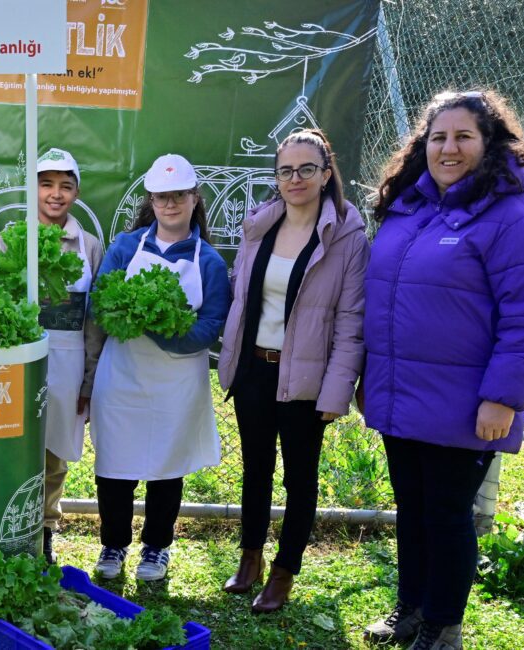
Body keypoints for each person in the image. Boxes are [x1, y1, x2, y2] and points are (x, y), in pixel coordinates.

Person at [361, 90, 524, 650]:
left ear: (489, 142)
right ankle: (411, 610)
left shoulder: (519, 214)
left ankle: (443, 625)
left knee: (447, 515)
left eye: (463, 137)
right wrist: (370, 379)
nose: (448, 148)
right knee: (413, 510)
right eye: (438, 137)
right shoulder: (411, 208)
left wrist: (505, 396)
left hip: (468, 403)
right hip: (401, 395)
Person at [217, 129, 368, 612]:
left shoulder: (347, 236)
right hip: (255, 372)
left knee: (299, 478)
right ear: (276, 178)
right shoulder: (260, 227)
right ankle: (250, 558)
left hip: (305, 379)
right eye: (286, 170)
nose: (296, 178)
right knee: (255, 470)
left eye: (307, 169)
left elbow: (350, 321)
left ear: (326, 174)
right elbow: (244, 299)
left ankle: (284, 572)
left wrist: (336, 391)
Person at [89, 154, 231, 581]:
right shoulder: (125, 247)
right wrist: (134, 315)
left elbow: (210, 326)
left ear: (194, 199)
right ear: (151, 200)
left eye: (178, 196)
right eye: (161, 197)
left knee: (167, 467)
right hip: (123, 377)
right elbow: (100, 301)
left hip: (177, 382)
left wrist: (162, 331)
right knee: (114, 465)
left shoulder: (210, 262)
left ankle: (156, 548)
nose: (170, 204)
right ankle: (113, 545)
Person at [27, 148, 105, 565]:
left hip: (70, 359)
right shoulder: (12, 238)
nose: (55, 194)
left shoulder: (90, 245)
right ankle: (12, 524)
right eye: (46, 184)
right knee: (18, 447)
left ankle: (44, 530)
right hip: (23, 360)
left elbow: (95, 322)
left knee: (55, 455)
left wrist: (89, 380)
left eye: (65, 186)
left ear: (76, 192)